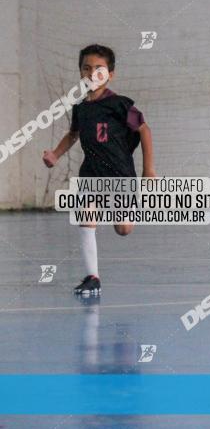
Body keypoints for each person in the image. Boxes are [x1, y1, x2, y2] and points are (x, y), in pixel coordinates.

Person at [43, 44, 155, 295]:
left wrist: (149, 169)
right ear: (81, 72)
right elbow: (74, 135)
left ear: (110, 74)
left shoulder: (120, 104)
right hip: (91, 171)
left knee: (123, 229)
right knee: (86, 214)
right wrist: (55, 155)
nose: (92, 73)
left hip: (120, 173)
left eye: (99, 69)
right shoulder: (81, 107)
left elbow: (144, 130)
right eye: (86, 68)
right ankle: (92, 277)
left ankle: (125, 212)